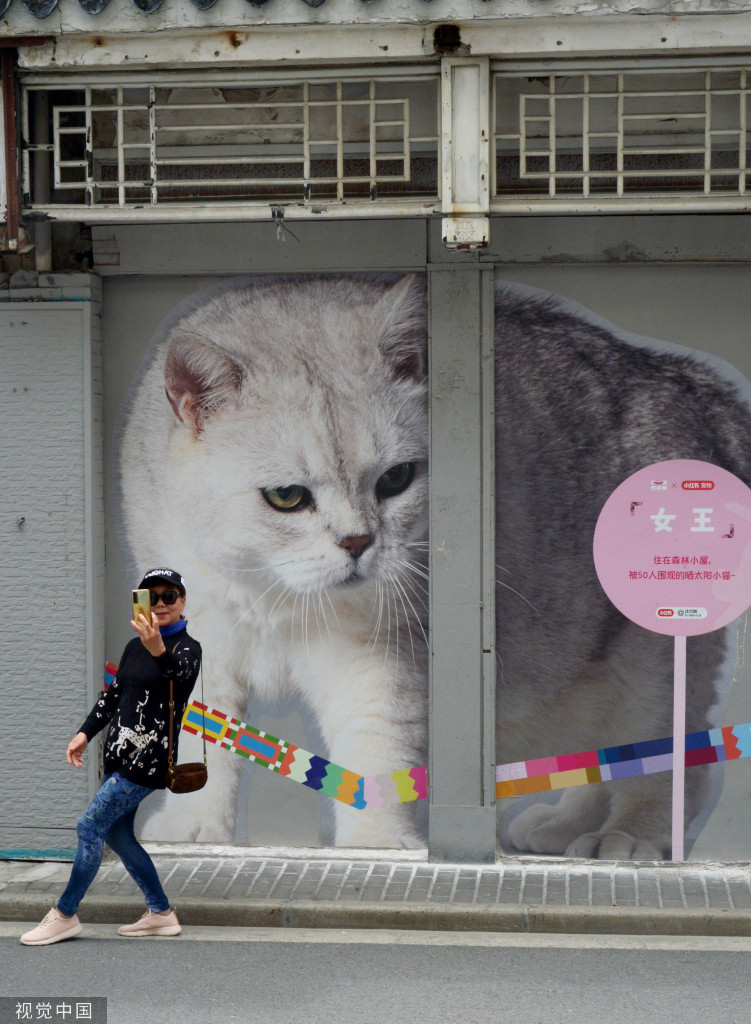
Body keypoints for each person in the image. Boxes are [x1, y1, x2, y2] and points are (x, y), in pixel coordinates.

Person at [21, 568, 202, 945]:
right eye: (152, 596)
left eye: (170, 596)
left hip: (147, 763)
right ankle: (161, 913)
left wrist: (158, 648)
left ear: (183, 601)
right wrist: (84, 733)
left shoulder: (187, 648)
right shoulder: (134, 645)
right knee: (118, 835)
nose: (161, 603)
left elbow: (179, 677)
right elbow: (113, 696)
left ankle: (65, 914)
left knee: (89, 827)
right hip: (118, 757)